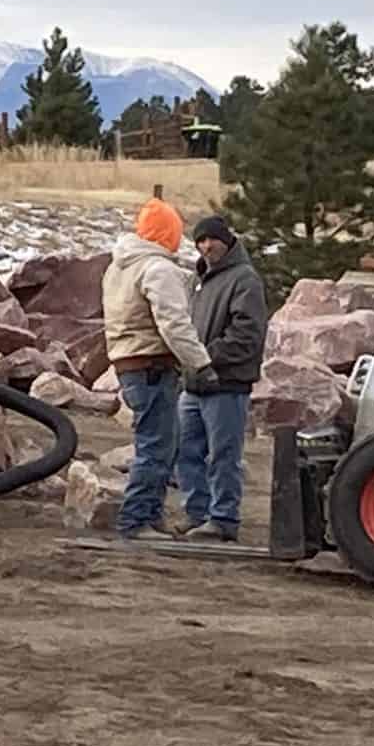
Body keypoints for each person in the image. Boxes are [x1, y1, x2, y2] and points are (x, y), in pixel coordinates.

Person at [101, 195, 212, 541]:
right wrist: (201, 363)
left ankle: (150, 513)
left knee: (161, 443)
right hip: (151, 365)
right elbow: (174, 324)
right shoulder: (158, 268)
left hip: (129, 363)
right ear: (170, 233)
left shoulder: (120, 265)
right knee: (156, 447)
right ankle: (135, 521)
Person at [174, 214, 268, 540]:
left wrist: (203, 356)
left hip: (226, 385)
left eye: (211, 239)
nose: (205, 246)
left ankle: (224, 519)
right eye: (200, 240)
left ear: (227, 240)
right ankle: (196, 513)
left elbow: (247, 334)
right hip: (194, 385)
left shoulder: (245, 280)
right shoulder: (200, 281)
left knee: (223, 456)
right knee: (186, 452)